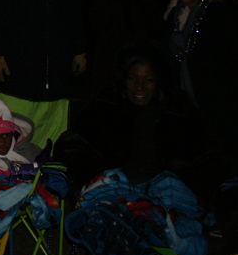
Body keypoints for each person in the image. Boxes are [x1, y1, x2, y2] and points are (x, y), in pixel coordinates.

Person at [59, 47, 203, 188]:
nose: (139, 87)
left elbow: (204, 160)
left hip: (168, 193)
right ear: (123, 79)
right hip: (113, 191)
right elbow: (70, 148)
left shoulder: (178, 113)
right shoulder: (104, 108)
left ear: (158, 81)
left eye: (148, 80)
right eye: (133, 78)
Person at [166, 0, 238, 151]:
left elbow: (226, 57)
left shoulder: (216, 14)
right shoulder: (175, 14)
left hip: (210, 96)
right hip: (180, 96)